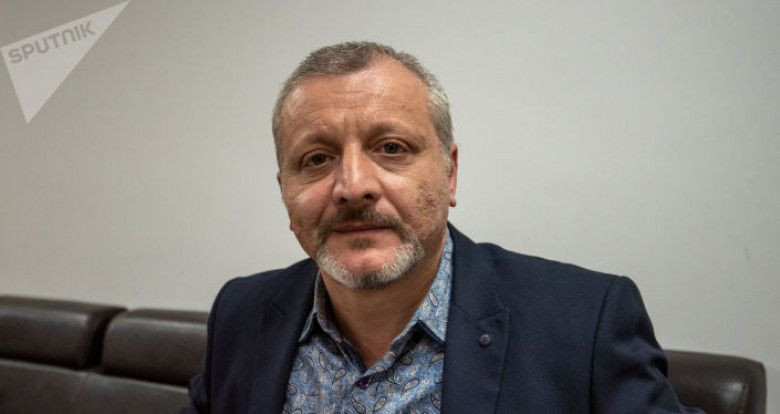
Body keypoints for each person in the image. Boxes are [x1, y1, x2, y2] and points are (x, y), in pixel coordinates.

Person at [183, 41, 702, 413]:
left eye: (391, 148)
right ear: (285, 191)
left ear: (450, 173)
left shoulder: (585, 323)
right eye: (316, 159)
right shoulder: (241, 314)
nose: (353, 186)